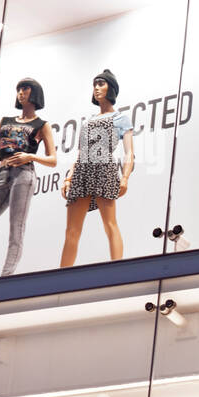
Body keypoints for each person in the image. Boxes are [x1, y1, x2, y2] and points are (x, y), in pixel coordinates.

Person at [0, 77, 57, 277]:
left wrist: (30, 156)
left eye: (25, 89)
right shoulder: (5, 121)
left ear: (34, 93)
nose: (21, 93)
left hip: (24, 174)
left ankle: (6, 275)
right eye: (19, 89)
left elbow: (53, 159)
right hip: (2, 174)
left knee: (16, 226)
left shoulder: (41, 124)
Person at [61, 69, 134, 266]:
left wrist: (125, 177)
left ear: (111, 88)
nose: (96, 88)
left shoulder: (121, 119)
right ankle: (61, 277)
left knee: (110, 224)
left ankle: (116, 270)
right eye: (95, 84)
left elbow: (129, 152)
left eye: (101, 84)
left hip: (105, 169)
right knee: (72, 230)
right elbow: (80, 153)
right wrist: (69, 178)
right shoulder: (87, 122)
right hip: (83, 170)